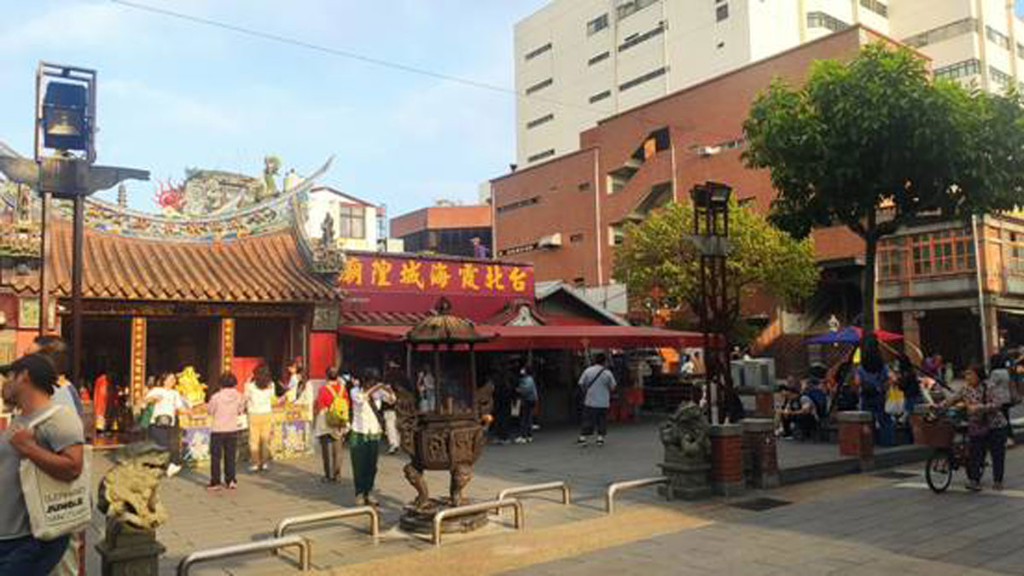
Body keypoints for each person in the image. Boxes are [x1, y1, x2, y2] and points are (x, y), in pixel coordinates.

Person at [0, 354, 85, 575]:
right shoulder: (19, 419)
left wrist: (29, 448)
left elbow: (73, 467)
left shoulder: (59, 417)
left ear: (24, 376)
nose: (4, 384)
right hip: (7, 536)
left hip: (29, 540)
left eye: (9, 376)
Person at [944, 364, 1010, 491]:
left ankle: (998, 481)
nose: (967, 377)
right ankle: (974, 480)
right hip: (977, 426)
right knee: (975, 454)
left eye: (970, 374)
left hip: (995, 425)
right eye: (966, 374)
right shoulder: (965, 389)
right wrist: (938, 406)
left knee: (997, 454)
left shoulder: (990, 386)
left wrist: (978, 408)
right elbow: (952, 399)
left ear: (978, 375)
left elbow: (998, 404)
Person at [348, 372, 387, 506]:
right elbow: (361, 399)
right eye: (370, 382)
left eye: (374, 382)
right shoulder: (355, 391)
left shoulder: (378, 392)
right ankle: (359, 493)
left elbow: (392, 399)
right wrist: (375, 388)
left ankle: (369, 492)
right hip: (359, 432)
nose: (372, 384)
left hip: (374, 432)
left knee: (372, 466)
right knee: (359, 465)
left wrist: (387, 389)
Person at [145, 372, 188, 477]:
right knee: (160, 445)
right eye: (170, 379)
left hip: (170, 423)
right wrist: (154, 399)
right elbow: (146, 399)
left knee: (168, 445)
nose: (173, 381)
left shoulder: (175, 393)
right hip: (157, 423)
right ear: (164, 381)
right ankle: (158, 467)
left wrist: (190, 411)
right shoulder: (157, 390)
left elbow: (180, 408)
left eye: (174, 379)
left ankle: (167, 466)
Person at [206, 372, 243, 491]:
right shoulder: (239, 396)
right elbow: (240, 410)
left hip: (218, 429)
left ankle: (215, 482)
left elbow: (210, 411)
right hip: (232, 429)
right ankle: (231, 480)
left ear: (221, 383)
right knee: (230, 457)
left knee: (216, 457)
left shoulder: (216, 397)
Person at [856, 336, 892, 447]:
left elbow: (857, 382)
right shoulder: (882, 365)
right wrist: (882, 389)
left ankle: (869, 443)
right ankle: (887, 442)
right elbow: (888, 380)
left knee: (867, 420)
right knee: (884, 419)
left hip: (866, 396)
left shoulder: (861, 366)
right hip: (879, 395)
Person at [314, 368, 348, 482]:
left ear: (326, 376)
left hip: (326, 420)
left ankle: (328, 475)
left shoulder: (323, 389)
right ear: (337, 376)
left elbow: (320, 405)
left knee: (326, 449)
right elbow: (347, 403)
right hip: (339, 420)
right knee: (338, 449)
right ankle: (337, 474)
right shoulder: (342, 388)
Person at [577, 354, 617, 447]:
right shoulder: (607, 373)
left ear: (595, 360)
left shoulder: (588, 370)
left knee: (588, 419)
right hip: (603, 402)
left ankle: (583, 438)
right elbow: (613, 387)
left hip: (590, 401)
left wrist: (586, 390)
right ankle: (600, 438)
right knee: (602, 420)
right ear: (604, 362)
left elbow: (581, 383)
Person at [244, 364, 277, 473]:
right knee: (265, 439)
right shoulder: (271, 385)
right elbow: (272, 399)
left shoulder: (250, 386)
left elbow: (245, 398)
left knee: (254, 440)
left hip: (253, 414)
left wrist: (248, 381)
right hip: (266, 413)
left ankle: (255, 463)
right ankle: (265, 463)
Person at [515, 366, 538, 444]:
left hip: (528, 400)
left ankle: (524, 436)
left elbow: (526, 390)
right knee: (527, 418)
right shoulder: (528, 379)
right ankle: (528, 435)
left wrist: (519, 390)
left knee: (525, 418)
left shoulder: (528, 379)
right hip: (529, 400)